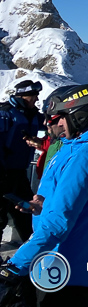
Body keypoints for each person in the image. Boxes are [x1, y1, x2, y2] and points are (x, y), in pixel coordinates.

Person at [0, 83, 88, 307]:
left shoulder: (87, 154)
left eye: (58, 118)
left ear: (80, 115)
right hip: (79, 261)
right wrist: (42, 205)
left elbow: (58, 224)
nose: (52, 124)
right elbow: (82, 202)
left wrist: (15, 267)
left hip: (65, 265)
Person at [0, 80, 45, 242]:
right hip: (3, 172)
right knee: (0, 215)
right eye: (32, 96)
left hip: (19, 173)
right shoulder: (6, 114)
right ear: (21, 96)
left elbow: (50, 125)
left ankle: (31, 252)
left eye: (36, 96)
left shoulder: (33, 115)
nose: (35, 99)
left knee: (27, 212)